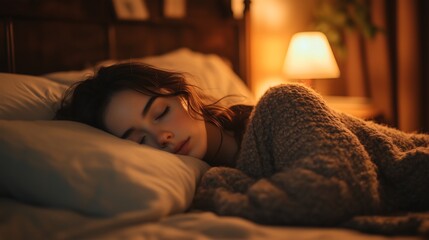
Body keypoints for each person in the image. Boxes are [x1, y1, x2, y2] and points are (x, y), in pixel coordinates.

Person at [56, 62, 429, 234]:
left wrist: (223, 199)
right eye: (138, 140)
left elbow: (336, 191)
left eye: (161, 113)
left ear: (185, 97)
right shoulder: (215, 177)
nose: (161, 138)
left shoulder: (283, 104)